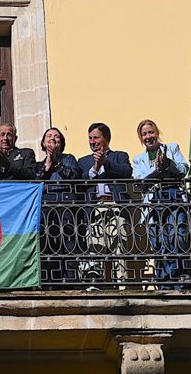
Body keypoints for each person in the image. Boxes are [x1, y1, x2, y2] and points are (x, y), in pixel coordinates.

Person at [132, 119, 189, 289]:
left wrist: (168, 164)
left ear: (157, 133)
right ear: (141, 138)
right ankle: (164, 281)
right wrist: (158, 171)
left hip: (174, 197)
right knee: (158, 240)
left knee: (177, 235)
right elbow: (140, 182)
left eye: (151, 132)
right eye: (144, 134)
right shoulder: (138, 159)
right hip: (153, 202)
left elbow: (183, 170)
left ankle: (179, 277)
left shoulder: (172, 148)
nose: (148, 136)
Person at [77, 123, 132, 287]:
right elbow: (80, 183)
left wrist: (105, 162)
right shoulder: (84, 161)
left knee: (119, 246)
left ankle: (122, 286)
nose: (92, 142)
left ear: (106, 139)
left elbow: (126, 172)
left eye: (96, 138)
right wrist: (95, 167)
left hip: (116, 206)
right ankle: (96, 284)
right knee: (95, 246)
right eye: (90, 138)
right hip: (94, 209)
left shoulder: (120, 156)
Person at [35, 127, 81, 285]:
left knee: (68, 241)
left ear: (61, 143)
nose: (53, 139)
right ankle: (50, 281)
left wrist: (57, 163)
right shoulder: (39, 164)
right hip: (46, 205)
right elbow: (35, 181)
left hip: (66, 202)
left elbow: (74, 176)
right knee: (48, 241)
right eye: (49, 136)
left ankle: (70, 280)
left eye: (57, 137)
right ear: (43, 142)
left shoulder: (68, 158)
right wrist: (47, 167)